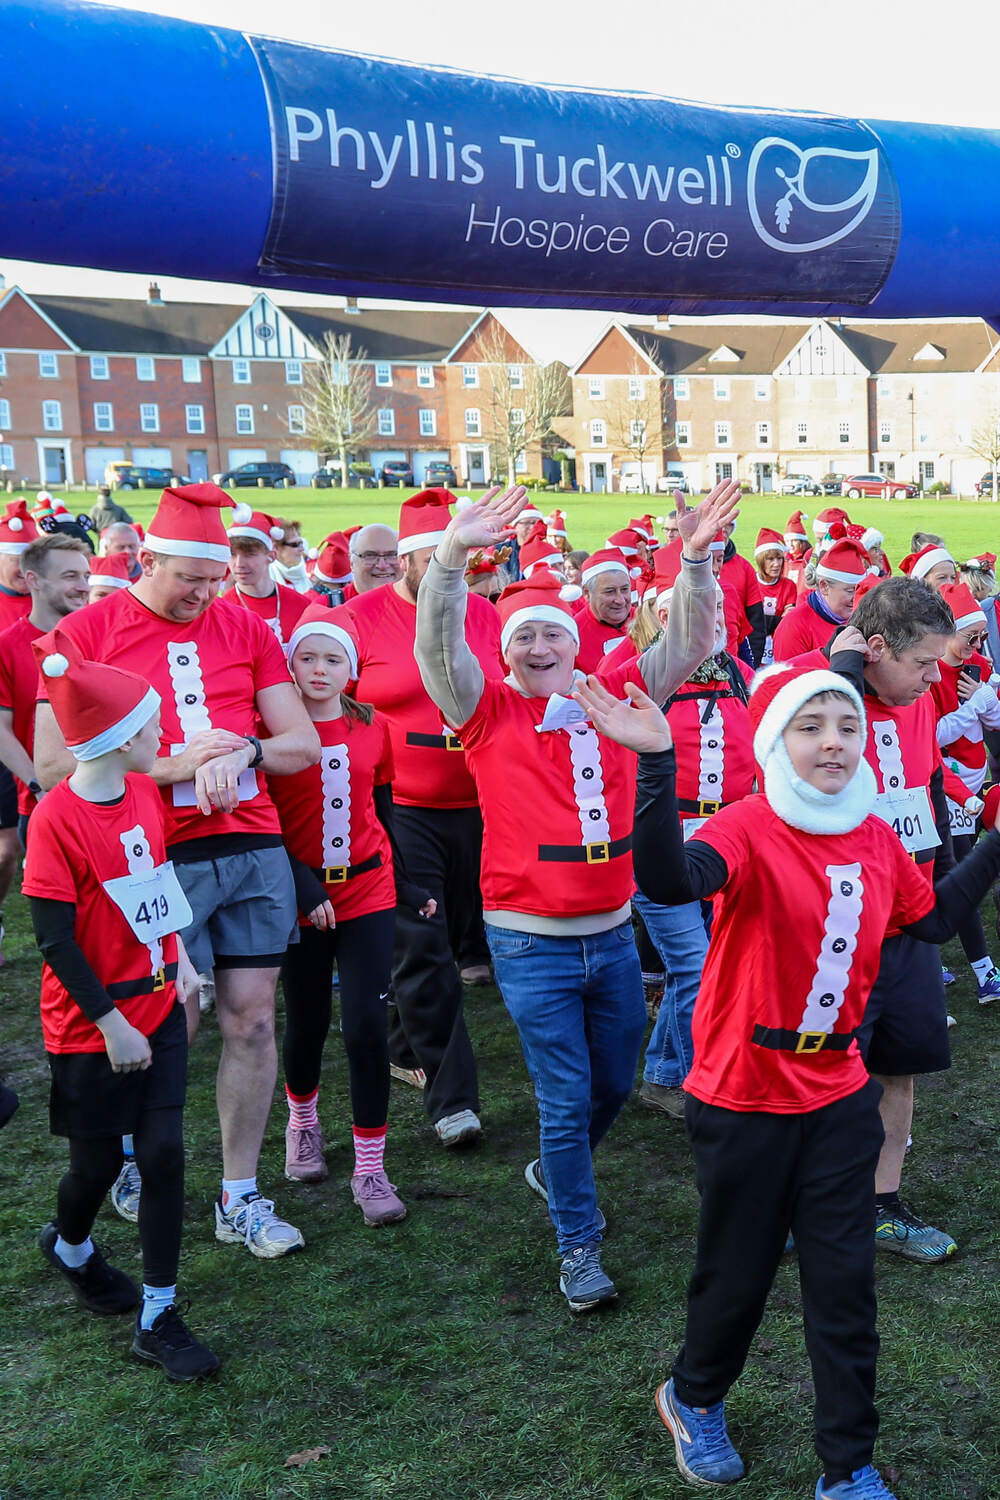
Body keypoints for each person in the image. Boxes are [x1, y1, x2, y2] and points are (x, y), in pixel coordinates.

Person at [577, 664, 1000, 1500]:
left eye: (846, 725)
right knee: (737, 1275)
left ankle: (848, 1467)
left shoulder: (876, 834)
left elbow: (933, 919)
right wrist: (658, 764)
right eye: (811, 726)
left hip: (841, 1097)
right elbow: (666, 883)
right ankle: (692, 1397)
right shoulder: (749, 823)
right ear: (776, 742)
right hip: (742, 1099)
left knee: (844, 1287)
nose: (833, 740)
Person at [414, 477, 739, 1311]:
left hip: (612, 929)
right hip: (529, 940)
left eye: (549, 635)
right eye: (520, 637)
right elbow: (436, 648)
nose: (534, 647)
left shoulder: (618, 695)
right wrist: (451, 556)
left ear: (572, 645)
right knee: (563, 1098)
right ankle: (578, 1244)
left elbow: (693, 636)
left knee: (615, 1088)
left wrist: (694, 560)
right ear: (508, 651)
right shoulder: (483, 709)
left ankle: (558, 1169)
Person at [33, 482, 320, 1259]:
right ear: (145, 559)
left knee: (254, 1018)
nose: (202, 595)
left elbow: (302, 745)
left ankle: (240, 1194)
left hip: (252, 841)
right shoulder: (87, 631)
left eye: (213, 579)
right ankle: (129, 1160)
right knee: (171, 1019)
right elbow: (56, 765)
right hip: (151, 849)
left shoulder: (244, 626)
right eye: (186, 579)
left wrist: (246, 750)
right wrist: (171, 766)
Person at [25, 630, 219, 1381]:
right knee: (97, 1167)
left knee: (166, 1154)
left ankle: (159, 1314)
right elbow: (54, 941)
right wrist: (108, 1024)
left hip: (160, 1004)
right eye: (148, 727)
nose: (162, 735)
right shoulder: (56, 820)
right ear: (112, 739)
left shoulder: (142, 791)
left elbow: (156, 885)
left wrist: (186, 962)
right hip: (91, 1026)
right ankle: (70, 1244)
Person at [799, 578, 969, 1261]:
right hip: (834, 929)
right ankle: (805, 1201)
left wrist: (949, 872)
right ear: (874, 647)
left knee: (898, 1069)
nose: (934, 680)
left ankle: (882, 1204)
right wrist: (842, 677)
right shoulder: (810, 697)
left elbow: (924, 788)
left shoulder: (918, 702)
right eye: (922, 664)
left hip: (909, 928)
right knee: (820, 1072)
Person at [345, 489, 503, 1145]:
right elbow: (332, 707)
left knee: (450, 942)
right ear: (410, 561)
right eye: (445, 555)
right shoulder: (355, 620)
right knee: (425, 948)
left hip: (483, 803)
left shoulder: (487, 616)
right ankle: (452, 1101)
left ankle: (402, 1044)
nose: (457, 568)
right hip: (402, 809)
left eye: (466, 555)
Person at [270, 606, 435, 1221]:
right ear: (289, 665)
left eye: (332, 659)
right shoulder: (274, 730)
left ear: (352, 669)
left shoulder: (376, 726)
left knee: (366, 1027)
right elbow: (262, 819)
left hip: (367, 890)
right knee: (308, 1017)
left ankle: (371, 1168)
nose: (318, 669)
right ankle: (304, 1122)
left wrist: (410, 880)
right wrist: (298, 880)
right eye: (307, 658)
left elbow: (383, 810)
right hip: (300, 896)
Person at [635, 574, 754, 1118]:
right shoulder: (643, 678)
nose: (721, 616)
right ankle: (701, 1081)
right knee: (696, 965)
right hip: (661, 844)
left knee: (699, 965)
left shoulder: (742, 676)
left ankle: (663, 1075)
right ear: (669, 619)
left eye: (724, 606)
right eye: (709, 608)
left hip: (725, 844)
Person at [928, 581, 1000, 1001]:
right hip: (943, 784)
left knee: (960, 869)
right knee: (958, 873)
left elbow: (994, 724)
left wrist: (987, 700)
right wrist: (974, 706)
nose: (975, 645)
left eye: (980, 637)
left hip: (976, 781)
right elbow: (931, 735)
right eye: (968, 637)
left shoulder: (981, 669)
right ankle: (981, 970)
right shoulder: (932, 671)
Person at [0, 534, 91, 849]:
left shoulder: (101, 636)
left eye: (86, 576)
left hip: (110, 803)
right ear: (33, 580)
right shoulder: (7, 647)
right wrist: (38, 785)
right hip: (46, 806)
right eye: (70, 576)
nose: (83, 586)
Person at [0, 500, 39, 961]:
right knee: (5, 849)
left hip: (38, 737)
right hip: (6, 740)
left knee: (11, 849)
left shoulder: (51, 604)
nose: (19, 571)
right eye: (11, 561)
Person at [219, 508, 313, 645]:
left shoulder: (301, 605)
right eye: (232, 554)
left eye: (249, 554)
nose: (239, 564)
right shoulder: (222, 611)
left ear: (271, 556)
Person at [772, 538, 870, 661]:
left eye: (860, 590)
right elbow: (786, 677)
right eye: (850, 591)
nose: (856, 598)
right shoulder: (794, 626)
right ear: (824, 586)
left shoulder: (861, 619)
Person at [574, 549, 633, 672]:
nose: (620, 600)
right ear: (587, 593)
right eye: (610, 592)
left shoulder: (646, 620)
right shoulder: (572, 635)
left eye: (624, 589)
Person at [718, 520, 765, 667]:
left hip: (735, 663)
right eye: (720, 524)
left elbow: (755, 620)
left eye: (729, 525)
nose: (724, 529)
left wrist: (753, 664)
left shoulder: (744, 567)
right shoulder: (687, 569)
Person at [754, 527, 797, 666]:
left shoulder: (789, 585)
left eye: (779, 558)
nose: (776, 564)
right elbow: (751, 623)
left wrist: (765, 620)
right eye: (770, 559)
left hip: (777, 647)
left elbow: (787, 621)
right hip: (755, 645)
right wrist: (776, 620)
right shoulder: (751, 583)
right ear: (761, 561)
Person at [348, 524, 400, 594]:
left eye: (391, 555)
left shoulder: (417, 601)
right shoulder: (333, 603)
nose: (382, 566)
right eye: (370, 556)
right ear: (352, 563)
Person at [270, 521, 312, 594]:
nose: (302, 549)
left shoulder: (305, 575)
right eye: (295, 544)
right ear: (275, 548)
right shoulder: (266, 580)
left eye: (301, 543)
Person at [783, 510, 813, 595]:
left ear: (803, 542)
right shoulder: (784, 560)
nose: (790, 544)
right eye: (788, 541)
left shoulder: (810, 560)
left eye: (794, 541)